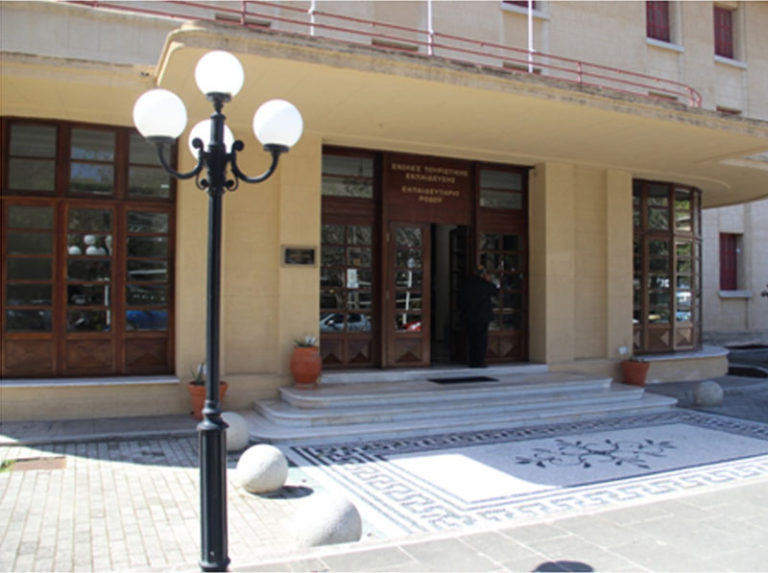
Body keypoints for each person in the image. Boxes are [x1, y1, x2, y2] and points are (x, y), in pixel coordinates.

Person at [459, 265, 499, 368]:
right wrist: (489, 281)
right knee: (481, 339)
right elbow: (495, 291)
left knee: (472, 339)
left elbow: (461, 299)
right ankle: (479, 361)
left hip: (469, 316)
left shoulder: (467, 284)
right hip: (482, 317)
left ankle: (472, 360)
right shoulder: (485, 284)